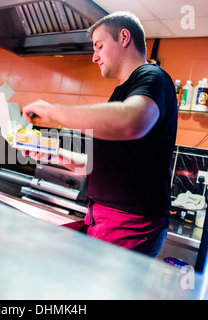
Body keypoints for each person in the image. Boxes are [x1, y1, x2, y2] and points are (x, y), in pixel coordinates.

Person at [20, 11, 178, 257]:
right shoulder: (122, 92)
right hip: (103, 218)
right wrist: (52, 152)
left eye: (99, 46)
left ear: (124, 37)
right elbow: (95, 165)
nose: (94, 57)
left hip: (129, 224)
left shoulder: (152, 76)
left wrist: (54, 111)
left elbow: (131, 122)